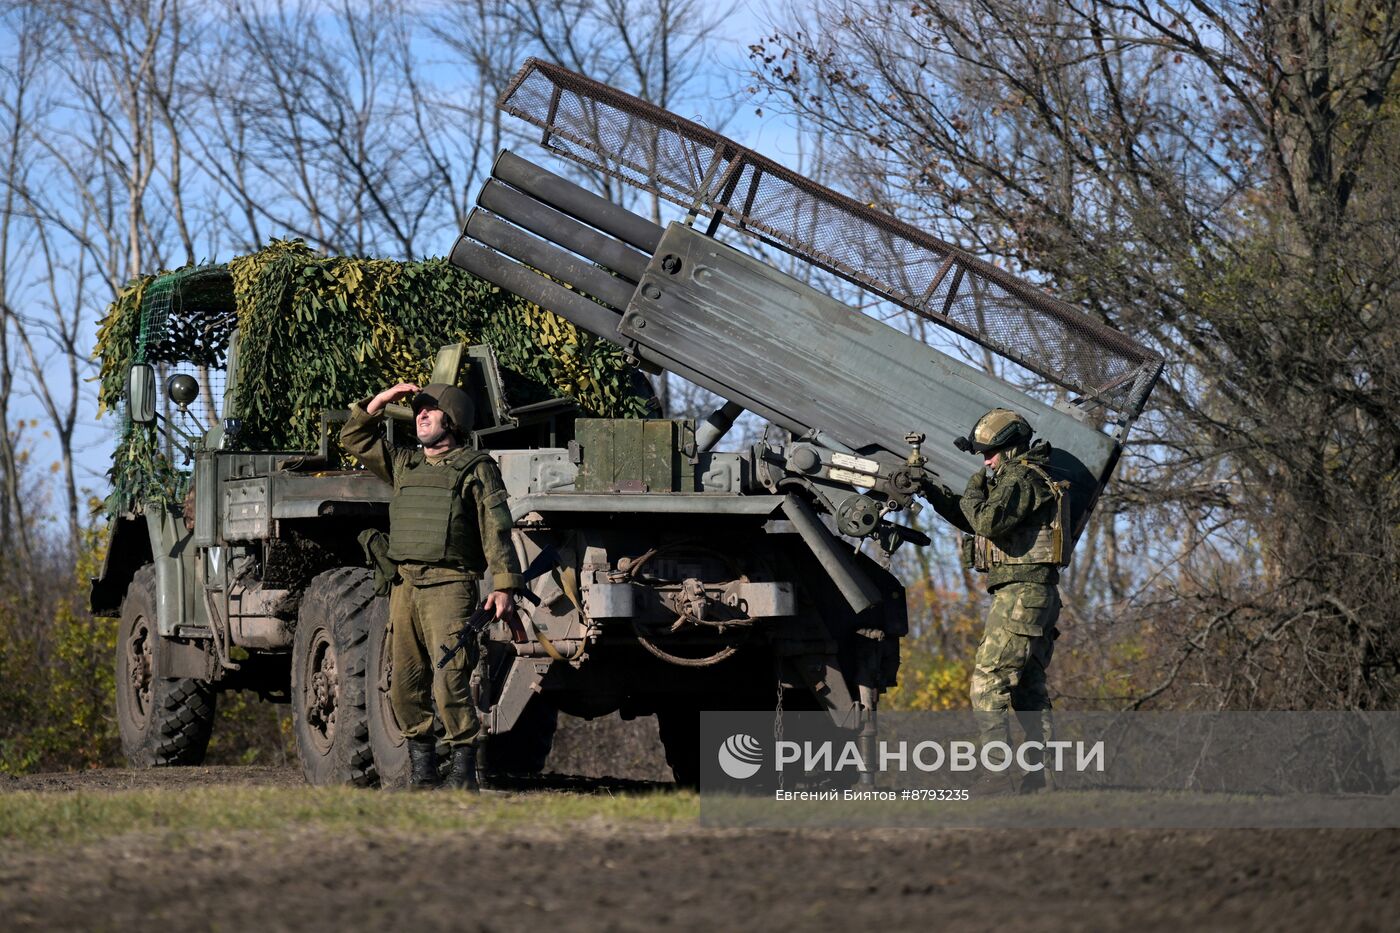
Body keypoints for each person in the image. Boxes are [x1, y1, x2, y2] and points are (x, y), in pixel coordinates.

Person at [341, 381, 523, 791]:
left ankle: (462, 775)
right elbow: (353, 437)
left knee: (450, 679)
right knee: (404, 683)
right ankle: (422, 774)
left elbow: (496, 529)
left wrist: (504, 586)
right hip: (404, 586)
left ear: (453, 420)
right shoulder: (405, 464)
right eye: (418, 409)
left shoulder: (476, 467)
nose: (420, 415)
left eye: (430, 410)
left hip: (450, 585)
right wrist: (382, 400)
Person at [924, 408, 1069, 791]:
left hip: (1023, 592)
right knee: (1027, 688)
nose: (986, 461)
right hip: (1030, 593)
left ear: (1011, 449)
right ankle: (1044, 777)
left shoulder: (1021, 476)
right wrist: (932, 493)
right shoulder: (1017, 478)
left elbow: (986, 522)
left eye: (989, 453)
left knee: (988, 681)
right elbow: (976, 518)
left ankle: (997, 772)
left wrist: (973, 488)